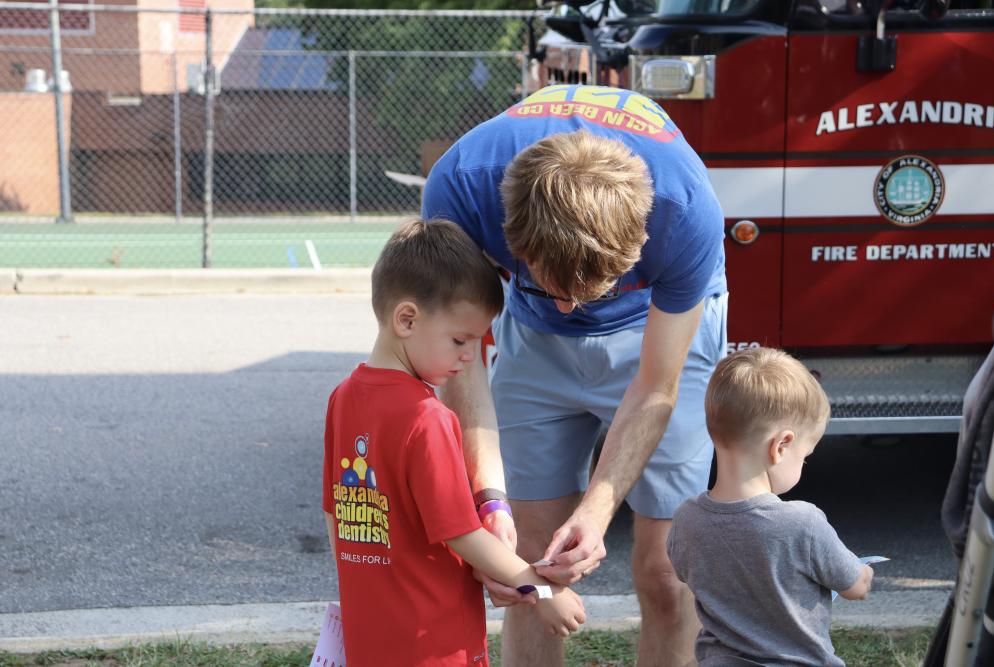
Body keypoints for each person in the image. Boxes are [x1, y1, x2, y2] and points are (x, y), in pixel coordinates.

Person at [421, 84, 729, 666]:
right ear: (511, 237)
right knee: (531, 566)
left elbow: (658, 386)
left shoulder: (685, 209)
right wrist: (489, 499)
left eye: (585, 291)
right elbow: (459, 356)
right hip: (533, 338)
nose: (570, 307)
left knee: (667, 570)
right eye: (547, 284)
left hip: (653, 329)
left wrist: (595, 512)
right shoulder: (462, 185)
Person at [321, 219, 586, 666]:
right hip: (437, 643)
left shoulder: (343, 399)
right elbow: (462, 534)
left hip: (370, 637)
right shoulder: (427, 417)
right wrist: (540, 588)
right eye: (460, 340)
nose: (470, 358)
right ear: (406, 319)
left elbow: (335, 512)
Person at [667, 347, 874, 667]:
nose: (803, 463)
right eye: (804, 456)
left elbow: (688, 573)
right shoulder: (804, 523)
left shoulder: (686, 520)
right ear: (781, 446)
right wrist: (865, 572)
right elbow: (854, 586)